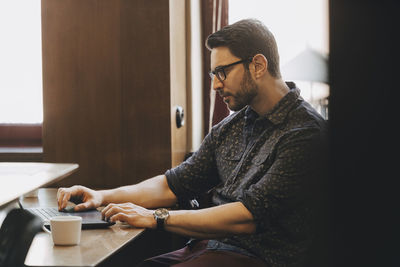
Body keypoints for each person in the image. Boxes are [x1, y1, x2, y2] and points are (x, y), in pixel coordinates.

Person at [57, 19, 328, 267]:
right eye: (213, 75)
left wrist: (156, 217)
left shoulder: (305, 133)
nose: (215, 86)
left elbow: (247, 217)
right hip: (209, 247)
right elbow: (172, 185)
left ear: (257, 66)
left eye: (221, 72)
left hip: (260, 258)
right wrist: (102, 196)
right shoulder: (229, 128)